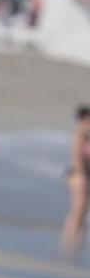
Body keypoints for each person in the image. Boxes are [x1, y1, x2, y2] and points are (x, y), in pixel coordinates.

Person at [61, 104, 90, 260]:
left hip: (80, 175)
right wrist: (83, 175)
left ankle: (73, 244)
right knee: (78, 212)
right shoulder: (80, 134)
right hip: (79, 176)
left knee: (79, 211)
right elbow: (77, 158)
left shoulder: (85, 135)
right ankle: (70, 245)